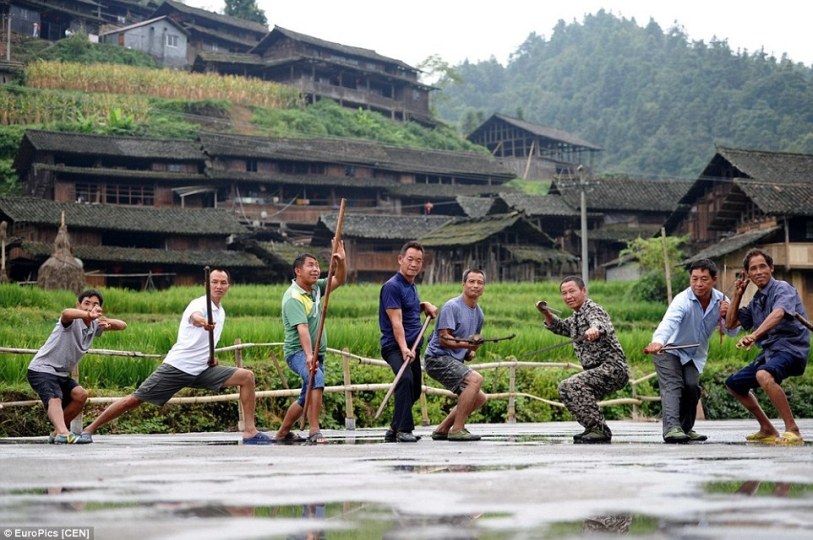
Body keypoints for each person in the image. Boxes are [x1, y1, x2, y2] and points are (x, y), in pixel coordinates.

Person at [82, 268, 270, 444]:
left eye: (223, 282)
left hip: (202, 369)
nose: (219, 286)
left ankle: (250, 431)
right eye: (214, 282)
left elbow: (204, 341)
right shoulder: (198, 304)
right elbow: (195, 318)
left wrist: (212, 357)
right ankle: (88, 430)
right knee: (135, 399)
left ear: (228, 286)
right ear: (207, 284)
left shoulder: (221, 312)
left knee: (247, 377)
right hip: (178, 367)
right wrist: (204, 322)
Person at [643, 259, 738, 443]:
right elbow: (669, 323)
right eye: (694, 279)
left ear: (714, 280)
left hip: (694, 353)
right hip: (668, 349)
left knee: (692, 387)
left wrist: (728, 315)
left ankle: (686, 428)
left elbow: (732, 332)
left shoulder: (722, 300)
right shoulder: (682, 300)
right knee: (673, 385)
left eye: (704, 279)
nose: (698, 284)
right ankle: (671, 429)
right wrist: (657, 342)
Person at [724, 248, 809, 445]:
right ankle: (767, 429)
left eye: (763, 266)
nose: (759, 271)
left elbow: (778, 313)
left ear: (771, 268)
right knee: (734, 384)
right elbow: (730, 324)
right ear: (748, 275)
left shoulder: (782, 288)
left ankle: (793, 430)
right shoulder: (756, 301)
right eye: (753, 269)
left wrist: (753, 335)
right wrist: (738, 294)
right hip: (770, 353)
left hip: (791, 349)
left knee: (763, 375)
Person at [537, 275, 629, 444]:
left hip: (613, 368)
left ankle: (598, 429)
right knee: (565, 388)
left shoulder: (593, 309)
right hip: (596, 370)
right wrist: (546, 312)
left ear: (584, 291)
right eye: (564, 293)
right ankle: (592, 428)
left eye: (572, 291)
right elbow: (559, 327)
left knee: (573, 384)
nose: (568, 296)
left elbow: (599, 323)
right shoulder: (576, 317)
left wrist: (595, 330)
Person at [27, 289, 127, 444]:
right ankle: (63, 433)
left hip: (60, 374)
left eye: (95, 304)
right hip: (42, 369)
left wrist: (107, 322)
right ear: (78, 305)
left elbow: (123, 325)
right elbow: (66, 313)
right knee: (55, 396)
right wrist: (88, 315)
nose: (90, 307)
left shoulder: (94, 325)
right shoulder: (71, 321)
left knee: (80, 395)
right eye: (86, 303)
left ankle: (57, 432)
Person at [275, 245, 346, 445]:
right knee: (316, 378)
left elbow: (339, 279)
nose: (316, 269)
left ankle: (282, 433)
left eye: (317, 265)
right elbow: (302, 329)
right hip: (298, 352)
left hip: (316, 353)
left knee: (304, 398)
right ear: (298, 271)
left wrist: (341, 261)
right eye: (310, 266)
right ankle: (315, 430)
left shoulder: (315, 288)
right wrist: (308, 356)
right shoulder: (293, 297)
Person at [379, 241, 438, 443]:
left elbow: (409, 308)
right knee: (404, 380)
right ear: (400, 260)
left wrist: (424, 305)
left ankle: (393, 429)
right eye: (410, 259)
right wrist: (404, 348)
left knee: (414, 390)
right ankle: (404, 430)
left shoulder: (411, 286)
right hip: (395, 347)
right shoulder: (392, 287)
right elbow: (396, 322)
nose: (414, 264)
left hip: (413, 347)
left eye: (419, 260)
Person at [424, 269, 488, 442]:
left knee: (481, 398)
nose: (475, 285)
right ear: (464, 284)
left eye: (479, 282)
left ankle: (442, 429)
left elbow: (467, 350)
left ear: (483, 287)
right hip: (437, 358)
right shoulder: (452, 307)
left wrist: (471, 351)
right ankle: (457, 429)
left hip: (453, 361)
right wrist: (469, 345)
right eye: (471, 281)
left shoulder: (479, 314)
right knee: (475, 380)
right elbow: (445, 340)